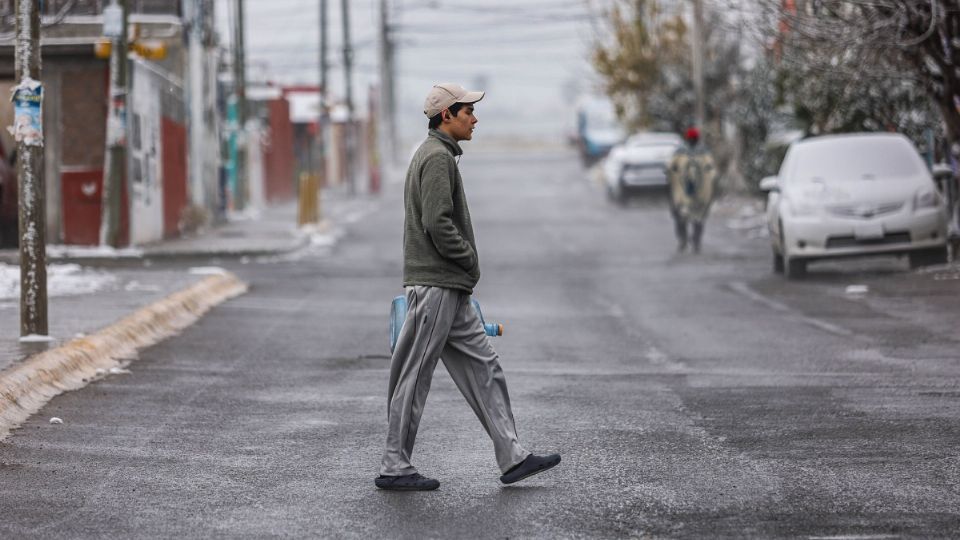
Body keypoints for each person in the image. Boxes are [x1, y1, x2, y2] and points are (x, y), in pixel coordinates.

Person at [375, 83, 561, 491]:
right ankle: (394, 465)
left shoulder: (440, 156)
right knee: (414, 375)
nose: (474, 119)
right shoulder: (436, 157)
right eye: (467, 113)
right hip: (436, 285)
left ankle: (513, 457)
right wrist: (468, 258)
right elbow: (437, 223)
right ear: (447, 116)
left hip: (450, 287)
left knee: (484, 366)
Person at [667, 127, 717, 253]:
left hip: (700, 192)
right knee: (680, 217)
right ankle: (683, 240)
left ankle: (696, 241)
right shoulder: (680, 152)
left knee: (698, 218)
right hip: (681, 192)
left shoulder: (703, 152)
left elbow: (711, 170)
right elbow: (671, 168)